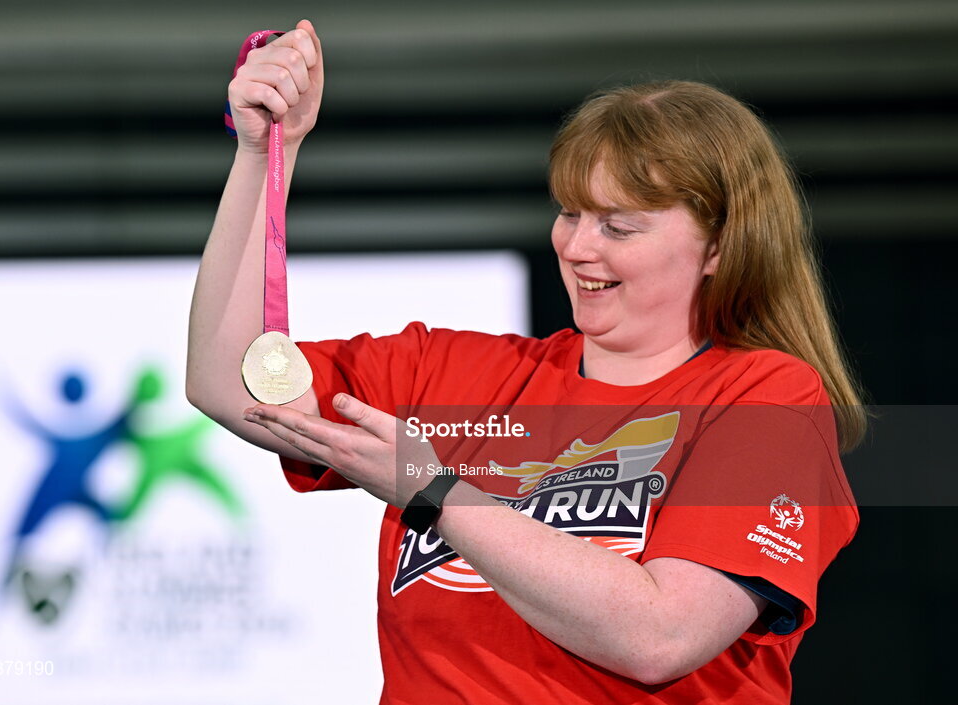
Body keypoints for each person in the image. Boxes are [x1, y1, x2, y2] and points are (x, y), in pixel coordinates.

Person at [187, 20, 865, 704]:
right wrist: (263, 152)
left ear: (719, 246)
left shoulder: (767, 397)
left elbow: (661, 635)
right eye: (570, 213)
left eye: (618, 225)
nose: (576, 246)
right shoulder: (449, 374)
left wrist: (433, 491)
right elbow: (229, 381)